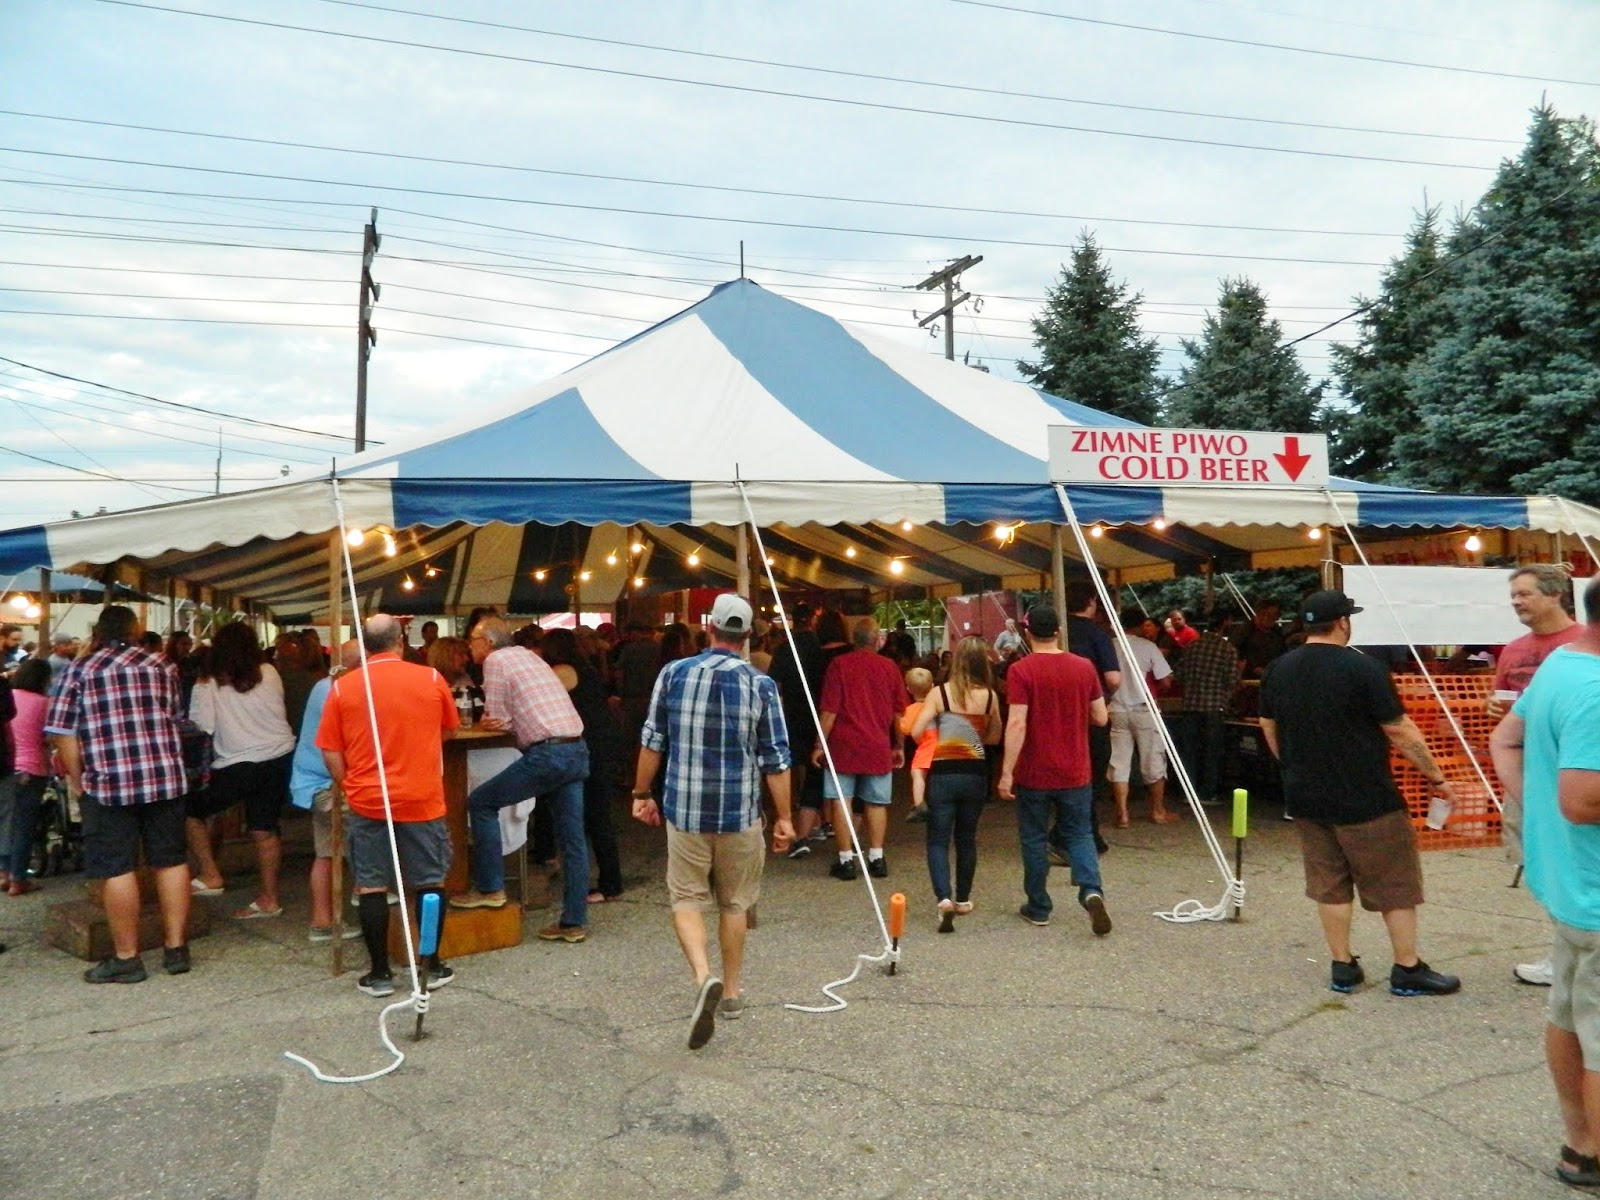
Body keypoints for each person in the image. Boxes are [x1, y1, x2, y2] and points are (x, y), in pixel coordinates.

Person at [1260, 590, 1460, 997]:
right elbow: (1398, 729)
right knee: (1395, 884)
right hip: (1367, 796)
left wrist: (1293, 765)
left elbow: (1268, 724)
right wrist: (1436, 776)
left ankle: (1343, 966)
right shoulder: (1364, 667)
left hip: (1306, 795)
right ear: (1343, 622)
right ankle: (1407, 967)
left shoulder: (1278, 668)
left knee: (1329, 884)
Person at [631, 594, 792, 1049]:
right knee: (735, 904)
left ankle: (704, 977)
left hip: (684, 809)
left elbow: (653, 741)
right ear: (748, 636)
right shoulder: (762, 686)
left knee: (686, 898)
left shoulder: (673, 674)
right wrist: (785, 817)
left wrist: (641, 793)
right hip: (739, 813)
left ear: (709, 629)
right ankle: (733, 992)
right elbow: (776, 759)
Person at [1487, 575, 1600, 1187]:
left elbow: (1504, 737)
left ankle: (1580, 1146)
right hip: (1593, 888)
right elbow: (1582, 801)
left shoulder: (1563, 662)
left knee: (1570, 1015)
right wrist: (1548, 806)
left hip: (1570, 885)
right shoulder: (1596, 688)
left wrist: (1534, 806)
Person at [46, 605, 192, 983]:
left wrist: (77, 780)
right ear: (135, 630)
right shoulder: (163, 666)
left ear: (98, 632)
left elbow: (64, 733)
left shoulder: (79, 670)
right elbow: (174, 716)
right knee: (171, 861)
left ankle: (127, 958)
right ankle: (176, 949)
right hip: (164, 778)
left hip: (109, 782)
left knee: (117, 868)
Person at [318, 614, 458, 996]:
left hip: (368, 798)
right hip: (421, 796)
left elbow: (330, 749)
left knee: (371, 885)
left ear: (364, 646)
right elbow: (449, 729)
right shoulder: (431, 678)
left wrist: (348, 785)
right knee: (430, 880)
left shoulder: (343, 687)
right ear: (401, 641)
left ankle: (379, 973)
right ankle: (431, 965)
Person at [452, 615, 591, 943]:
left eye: (472, 640)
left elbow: (497, 718)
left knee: (481, 803)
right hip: (575, 747)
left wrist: (492, 721)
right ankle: (574, 922)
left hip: (548, 753)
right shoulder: (530, 656)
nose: (469, 646)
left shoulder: (496, 661)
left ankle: (490, 887)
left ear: (488, 642)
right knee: (572, 839)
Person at [1484, 565, 1583, 987]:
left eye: (1524, 594)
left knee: (1577, 862)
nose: (1516, 602)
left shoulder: (1584, 643)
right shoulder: (1514, 649)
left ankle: (1572, 956)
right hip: (1526, 771)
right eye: (1513, 595)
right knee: (1540, 861)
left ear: (1556, 593)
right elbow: (1504, 700)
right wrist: (1494, 707)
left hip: (1575, 769)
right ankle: (1564, 954)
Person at [999, 603, 1111, 936]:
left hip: (1035, 771)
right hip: (1075, 768)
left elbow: (1017, 723)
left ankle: (1038, 907)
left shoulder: (1020, 670)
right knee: (1080, 833)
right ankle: (1091, 890)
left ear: (1027, 633)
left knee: (1034, 838)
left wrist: (1006, 772)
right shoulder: (1084, 667)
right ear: (1059, 631)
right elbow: (1101, 717)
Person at [187, 622, 296, 919]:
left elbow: (202, 726)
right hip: (279, 756)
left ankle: (210, 874)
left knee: (190, 810)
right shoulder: (270, 672)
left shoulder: (210, 681)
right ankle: (269, 899)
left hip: (238, 762)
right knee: (264, 828)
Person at [910, 638, 1001, 933]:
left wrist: (939, 737)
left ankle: (944, 899)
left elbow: (916, 731)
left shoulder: (940, 694)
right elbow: (994, 737)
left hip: (944, 774)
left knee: (938, 839)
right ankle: (962, 899)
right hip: (975, 774)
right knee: (966, 837)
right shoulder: (990, 697)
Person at [815, 617, 907, 881]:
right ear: (877, 639)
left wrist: (819, 744)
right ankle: (877, 857)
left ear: (853, 640)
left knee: (841, 801)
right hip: (878, 744)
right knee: (877, 802)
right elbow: (898, 713)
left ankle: (846, 860)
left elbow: (830, 711)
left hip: (843, 745)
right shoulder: (890, 667)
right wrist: (899, 744)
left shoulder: (839, 665)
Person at [541, 627, 625, 904]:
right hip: (602, 742)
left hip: (590, 746)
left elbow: (541, 699)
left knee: (596, 816)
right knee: (598, 815)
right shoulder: (586, 669)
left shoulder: (562, 672)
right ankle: (609, 881)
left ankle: (611, 884)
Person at [289, 639, 362, 944]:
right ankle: (368, 889)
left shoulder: (325, 686)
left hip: (313, 781)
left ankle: (322, 922)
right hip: (328, 783)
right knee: (372, 829)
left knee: (327, 853)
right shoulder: (337, 690)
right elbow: (349, 743)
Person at [1064, 583, 1121, 857]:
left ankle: (1075, 830)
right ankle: (1084, 834)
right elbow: (1113, 678)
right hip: (1090, 713)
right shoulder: (1098, 635)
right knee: (1092, 775)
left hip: (1059, 715)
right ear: (1091, 602)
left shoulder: (1059, 632)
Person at [769, 604, 828, 855]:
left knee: (788, 766)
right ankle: (817, 822)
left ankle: (788, 812)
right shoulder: (821, 648)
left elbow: (773, 683)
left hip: (791, 715)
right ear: (813, 620)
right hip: (818, 714)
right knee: (816, 771)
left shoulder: (784, 648)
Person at [1108, 608, 1176, 827]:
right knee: (1153, 760)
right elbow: (1165, 680)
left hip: (1117, 708)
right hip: (1144, 709)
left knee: (1120, 761)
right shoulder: (1148, 647)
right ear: (1139, 625)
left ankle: (1122, 813)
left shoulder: (1110, 645)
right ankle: (1157, 811)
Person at [1173, 611, 1241, 806]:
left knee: (1189, 751)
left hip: (1190, 706)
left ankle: (1188, 791)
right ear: (1225, 623)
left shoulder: (1192, 646)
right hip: (1214, 706)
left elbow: (1179, 674)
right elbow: (1233, 680)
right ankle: (1208, 793)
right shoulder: (1227, 649)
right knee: (1212, 752)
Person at [4, 658, 52, 894]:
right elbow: (49, 737)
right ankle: (18, 879)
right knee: (24, 826)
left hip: (6, 766)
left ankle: (3, 873)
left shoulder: (9, 695)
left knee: (5, 822)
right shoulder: (44, 703)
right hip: (31, 769)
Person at [899, 666, 936, 824]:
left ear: (908, 689)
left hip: (926, 742)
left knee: (917, 772)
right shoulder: (938, 705)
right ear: (932, 686)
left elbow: (906, 729)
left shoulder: (912, 709)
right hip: (942, 741)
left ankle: (919, 804)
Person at [1234, 602, 1287, 679]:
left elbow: (1283, 651)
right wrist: (1252, 668)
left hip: (1273, 676)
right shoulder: (1244, 631)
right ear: (1260, 614)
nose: (1274, 618)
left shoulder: (1276, 632)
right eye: (1270, 615)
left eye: (1276, 615)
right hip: (1249, 677)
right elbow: (1234, 653)